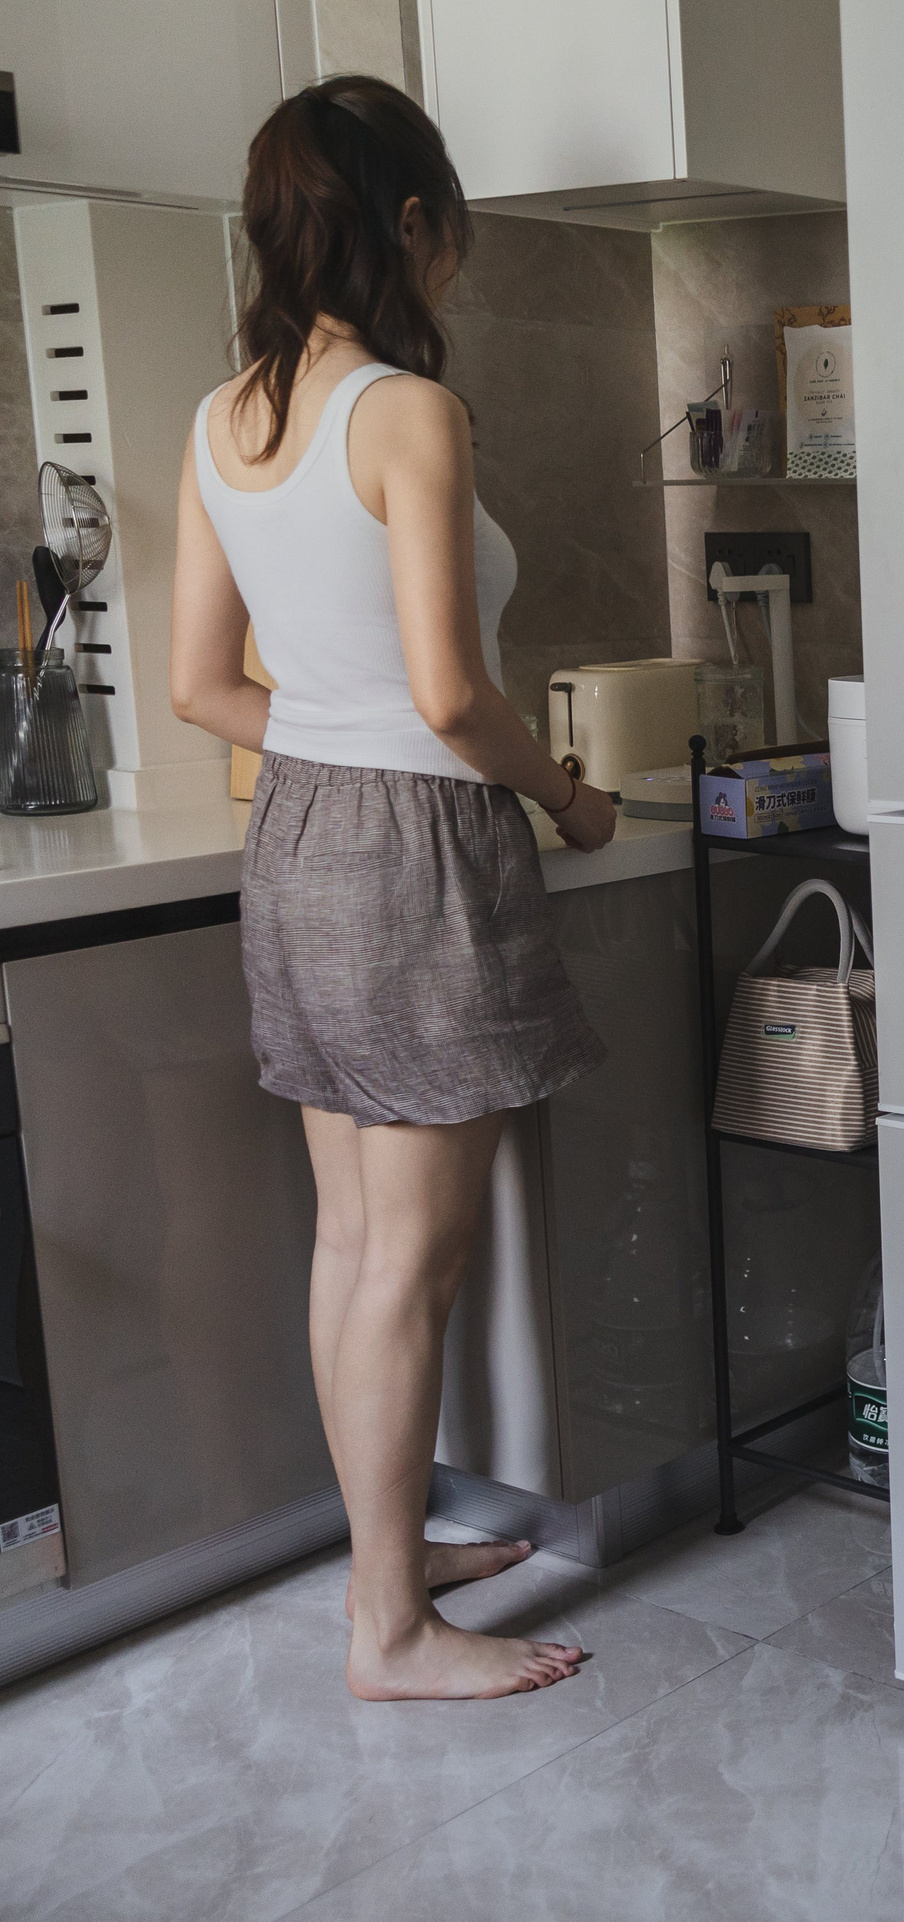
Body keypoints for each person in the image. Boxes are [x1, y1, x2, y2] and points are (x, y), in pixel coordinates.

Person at [169, 76, 617, 1700]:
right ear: (409, 223)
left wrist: (335, 743)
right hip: (419, 848)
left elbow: (199, 685)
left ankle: (387, 1553)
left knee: (352, 1241)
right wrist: (567, 796)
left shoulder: (228, 416)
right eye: (448, 239)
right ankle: (393, 1632)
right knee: (411, 1262)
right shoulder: (410, 412)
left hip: (293, 839)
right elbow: (448, 693)